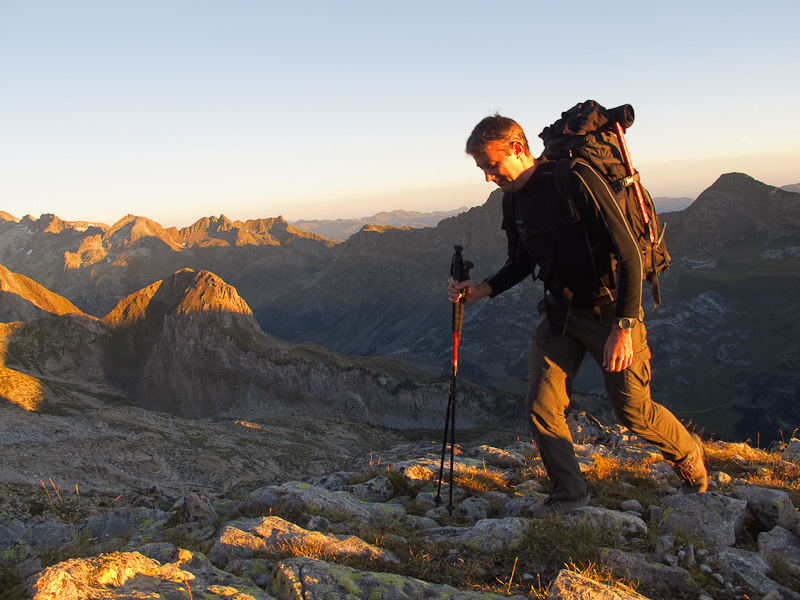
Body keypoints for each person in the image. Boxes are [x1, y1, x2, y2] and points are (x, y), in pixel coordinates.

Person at [448, 114, 708, 515]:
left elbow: (630, 256)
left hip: (611, 313)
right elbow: (519, 262)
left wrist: (624, 327)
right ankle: (570, 495)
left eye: (491, 165)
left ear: (517, 149)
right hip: (559, 314)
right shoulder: (512, 200)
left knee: (633, 412)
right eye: (482, 168)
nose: (487, 176)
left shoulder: (575, 178)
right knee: (540, 406)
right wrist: (480, 289)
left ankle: (689, 457)